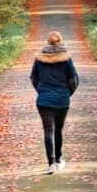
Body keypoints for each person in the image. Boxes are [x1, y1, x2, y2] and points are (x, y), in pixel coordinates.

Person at [30, 30, 79, 175]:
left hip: (44, 100)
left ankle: (51, 163)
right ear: (60, 42)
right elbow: (74, 80)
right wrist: (67, 93)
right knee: (58, 129)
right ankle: (58, 160)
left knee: (48, 131)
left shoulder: (39, 59)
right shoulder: (66, 59)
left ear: (47, 42)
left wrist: (41, 92)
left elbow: (33, 78)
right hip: (62, 99)